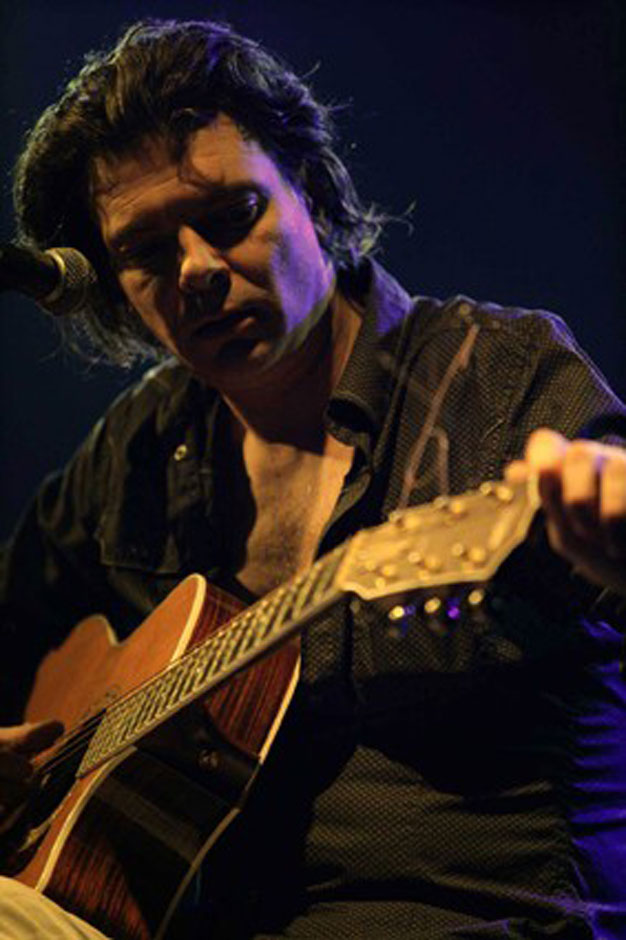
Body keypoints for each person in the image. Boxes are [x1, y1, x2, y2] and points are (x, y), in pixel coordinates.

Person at [1, 17, 625, 940]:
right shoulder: (139, 448)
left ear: (314, 195)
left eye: (231, 217)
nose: (197, 271)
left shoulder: (498, 378)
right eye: (146, 252)